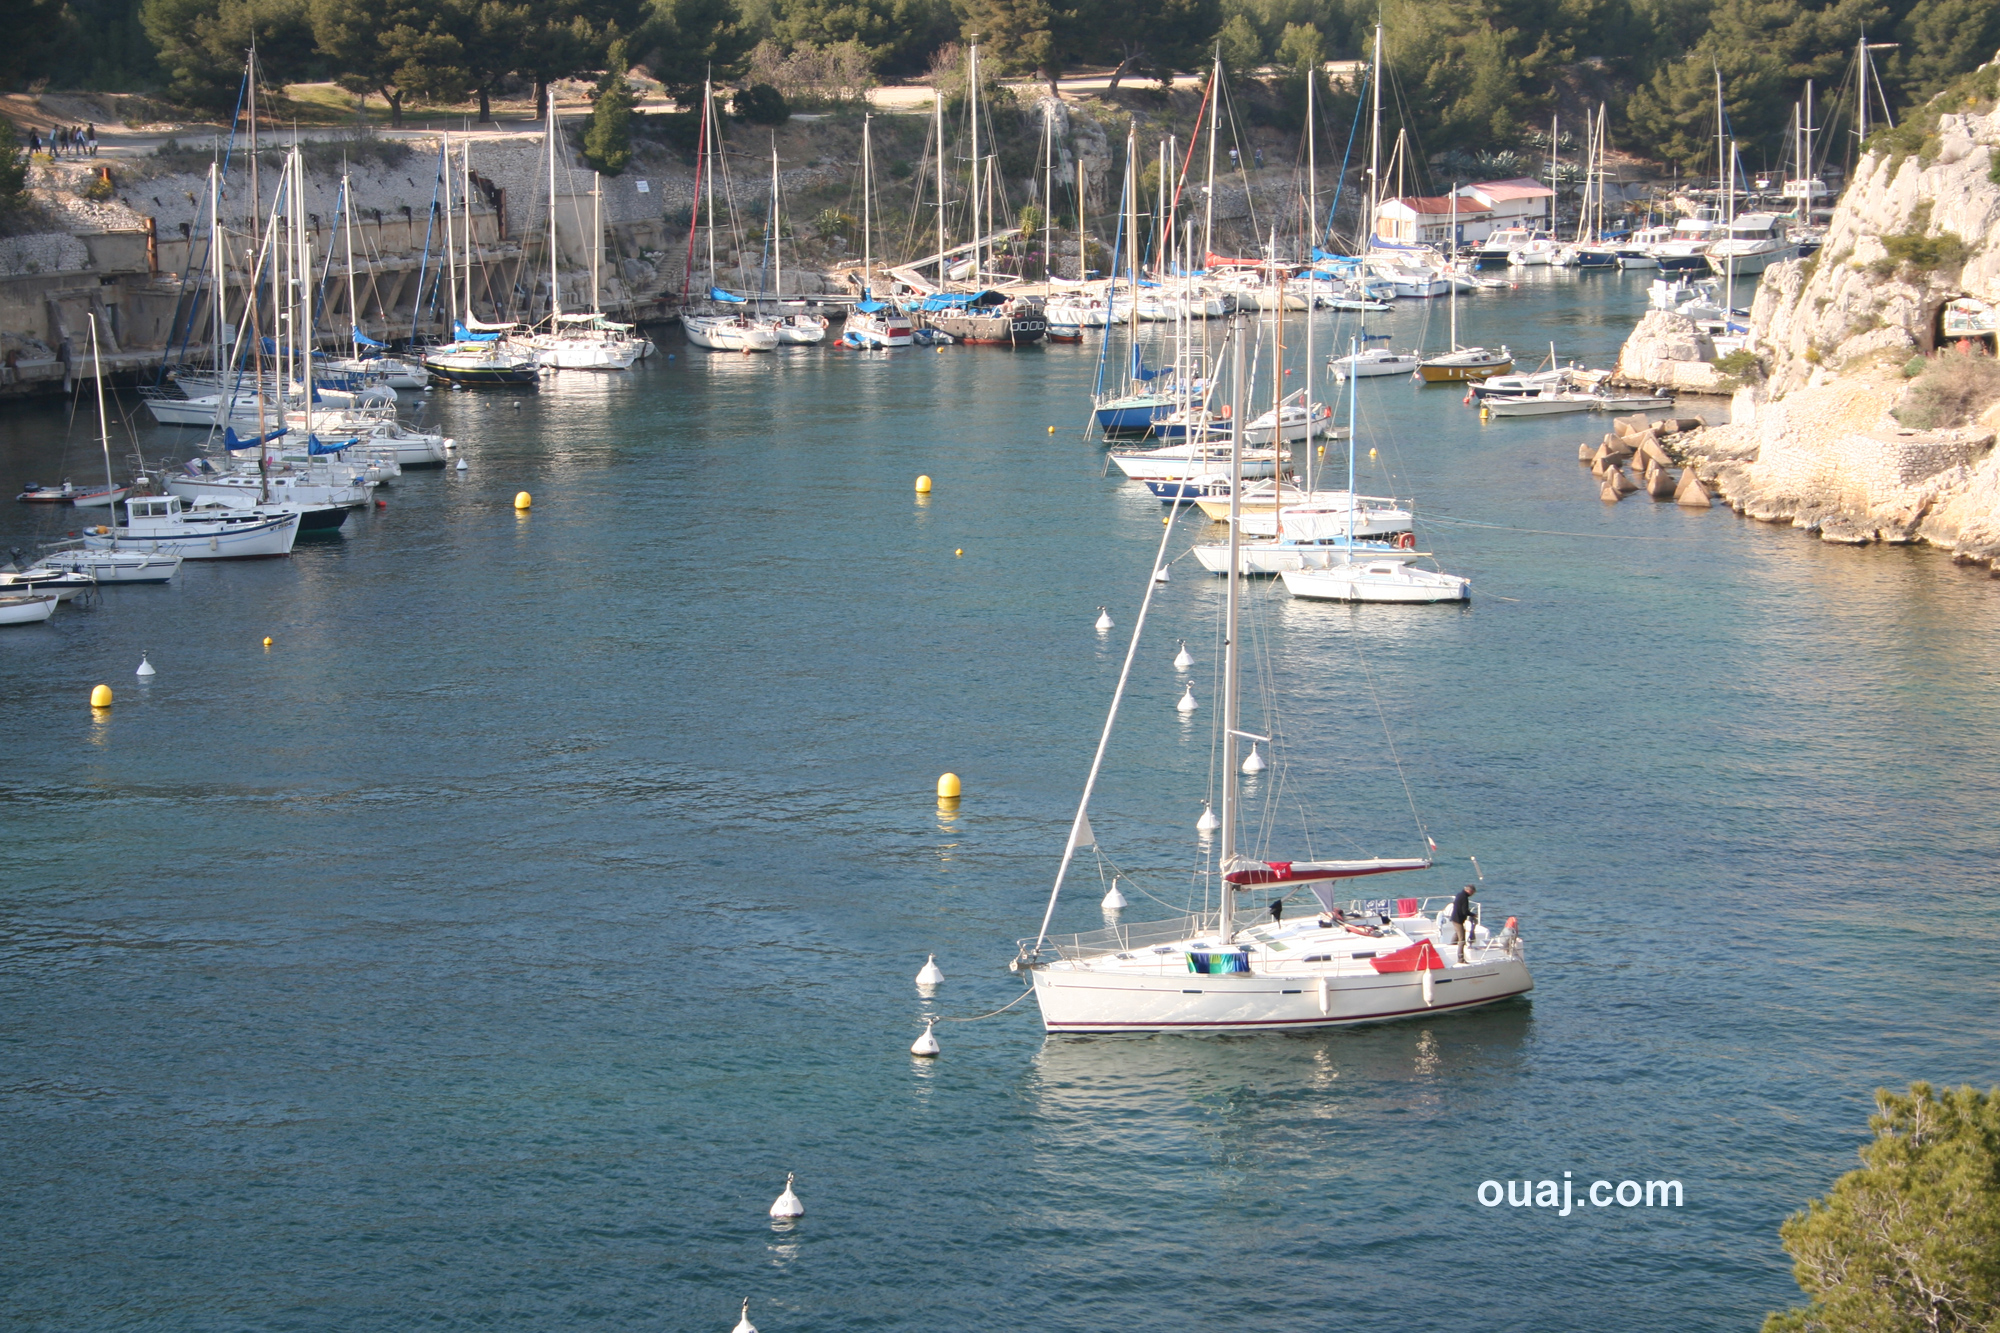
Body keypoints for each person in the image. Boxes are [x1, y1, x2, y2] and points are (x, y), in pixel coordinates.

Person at [1448, 884, 1477, 962]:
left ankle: (1451, 946)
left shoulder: (1459, 894)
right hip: (1458, 920)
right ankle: (1460, 958)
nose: (1472, 894)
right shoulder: (1464, 898)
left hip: (1454, 918)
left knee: (1457, 934)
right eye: (1473, 892)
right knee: (1462, 939)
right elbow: (1465, 911)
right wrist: (1473, 914)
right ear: (1470, 891)